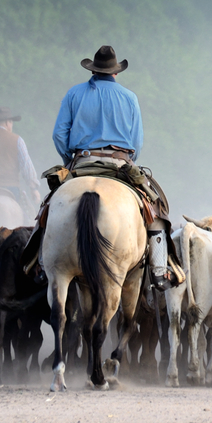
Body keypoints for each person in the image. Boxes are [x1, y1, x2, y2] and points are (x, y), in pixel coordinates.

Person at [51, 45, 178, 289]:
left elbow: (59, 135)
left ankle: (40, 264)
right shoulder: (130, 97)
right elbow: (137, 142)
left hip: (82, 162)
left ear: (93, 71)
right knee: (156, 209)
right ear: (115, 73)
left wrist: (71, 159)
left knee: (48, 206)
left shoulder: (73, 94)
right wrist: (127, 160)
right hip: (120, 164)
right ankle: (160, 270)